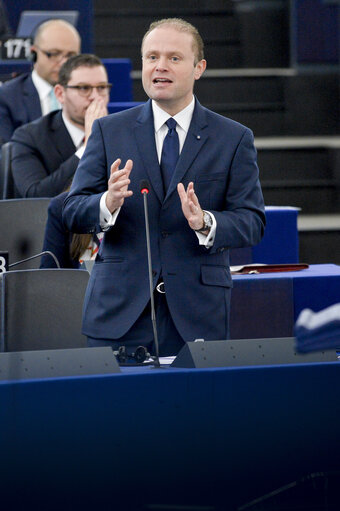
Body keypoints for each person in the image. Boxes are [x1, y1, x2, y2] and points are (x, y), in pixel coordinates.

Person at [63, 18, 266, 357]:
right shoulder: (109, 131)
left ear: (198, 68)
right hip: (118, 313)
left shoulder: (234, 138)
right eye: (151, 57)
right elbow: (71, 211)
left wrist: (206, 222)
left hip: (197, 314)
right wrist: (107, 203)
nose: (160, 66)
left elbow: (252, 222)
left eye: (174, 58)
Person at [11, 54, 110, 198]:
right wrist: (89, 147)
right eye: (84, 88)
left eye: (101, 87)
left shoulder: (122, 131)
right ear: (60, 94)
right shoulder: (29, 137)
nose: (95, 96)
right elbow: (35, 197)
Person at [0, 18, 81, 146]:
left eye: (71, 56)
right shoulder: (7, 98)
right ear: (34, 53)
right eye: (54, 54)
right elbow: (6, 158)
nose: (64, 62)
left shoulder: (87, 94)